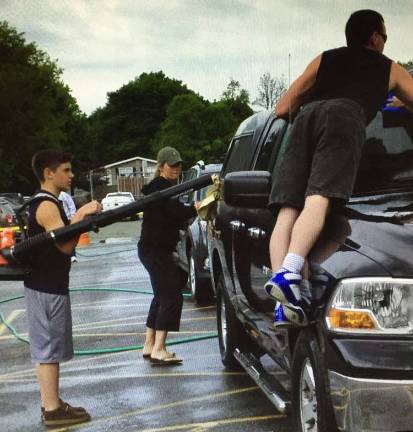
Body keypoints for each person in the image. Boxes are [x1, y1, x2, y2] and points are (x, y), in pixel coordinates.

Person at [265, 9, 413, 326]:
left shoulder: (324, 59)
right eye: (384, 37)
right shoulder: (390, 68)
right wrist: (396, 102)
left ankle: (283, 306)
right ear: (375, 37)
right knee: (319, 197)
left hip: (304, 120)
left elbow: (282, 107)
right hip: (344, 118)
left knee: (288, 210)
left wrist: (311, 111)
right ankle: (288, 274)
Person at [24, 149, 102, 426]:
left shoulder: (47, 203)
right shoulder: (46, 205)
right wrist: (81, 214)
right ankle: (52, 409)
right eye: (66, 170)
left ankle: (53, 403)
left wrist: (80, 220)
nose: (71, 175)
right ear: (49, 173)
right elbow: (65, 247)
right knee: (48, 349)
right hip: (46, 286)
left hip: (47, 284)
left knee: (50, 347)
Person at [138, 146, 200, 365]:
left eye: (178, 164)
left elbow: (172, 215)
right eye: (172, 165)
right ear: (161, 166)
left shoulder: (161, 188)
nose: (176, 168)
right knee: (171, 296)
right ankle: (159, 348)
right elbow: (176, 212)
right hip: (156, 250)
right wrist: (196, 207)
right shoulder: (162, 189)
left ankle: (149, 344)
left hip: (152, 249)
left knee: (160, 295)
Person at [58, 191, 78, 262]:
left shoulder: (63, 195)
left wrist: (72, 218)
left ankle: (73, 255)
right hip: (58, 220)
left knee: (70, 237)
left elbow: (71, 206)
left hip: (67, 219)